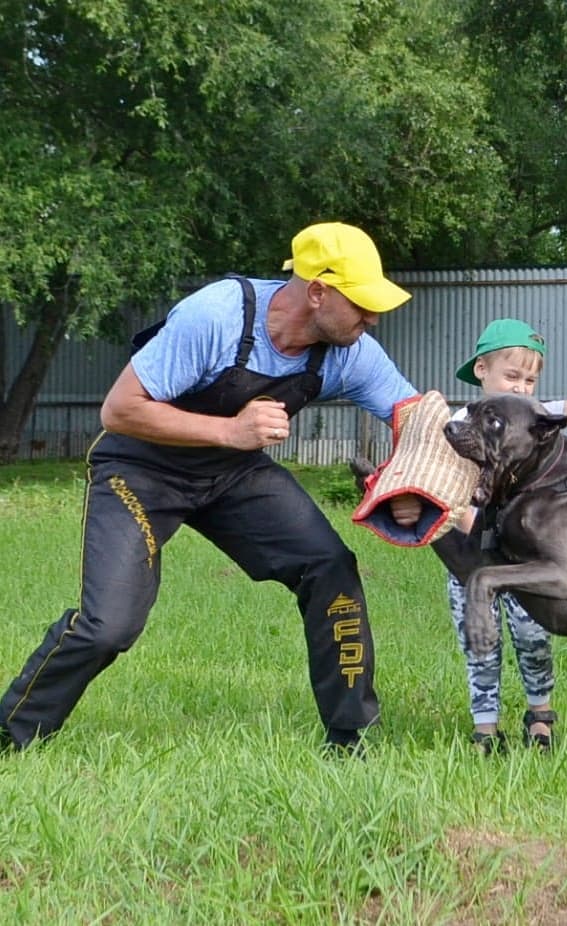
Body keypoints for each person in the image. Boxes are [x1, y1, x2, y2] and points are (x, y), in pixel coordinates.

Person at [0, 221, 423, 754]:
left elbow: (414, 415)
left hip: (232, 474)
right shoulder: (218, 316)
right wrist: (229, 430)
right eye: (361, 303)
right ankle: (11, 732)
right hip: (139, 469)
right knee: (109, 626)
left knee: (329, 565)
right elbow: (120, 410)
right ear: (317, 291)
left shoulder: (348, 352)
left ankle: (351, 736)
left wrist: (411, 480)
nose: (373, 316)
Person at [450, 318, 567, 754]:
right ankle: (485, 728)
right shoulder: (459, 423)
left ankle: (540, 717)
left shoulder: (532, 418)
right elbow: (445, 490)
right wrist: (477, 525)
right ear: (481, 369)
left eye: (530, 379)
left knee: (532, 634)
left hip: (524, 556)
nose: (522, 387)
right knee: (479, 639)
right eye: (512, 375)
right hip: (472, 556)